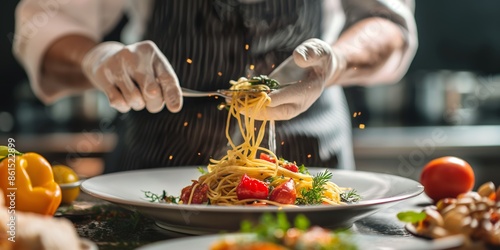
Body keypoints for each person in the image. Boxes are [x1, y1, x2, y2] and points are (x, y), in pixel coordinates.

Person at [13, 0, 417, 173]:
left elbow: (389, 24)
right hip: (156, 179)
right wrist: (95, 59)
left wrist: (336, 61)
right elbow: (42, 24)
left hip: (311, 168)